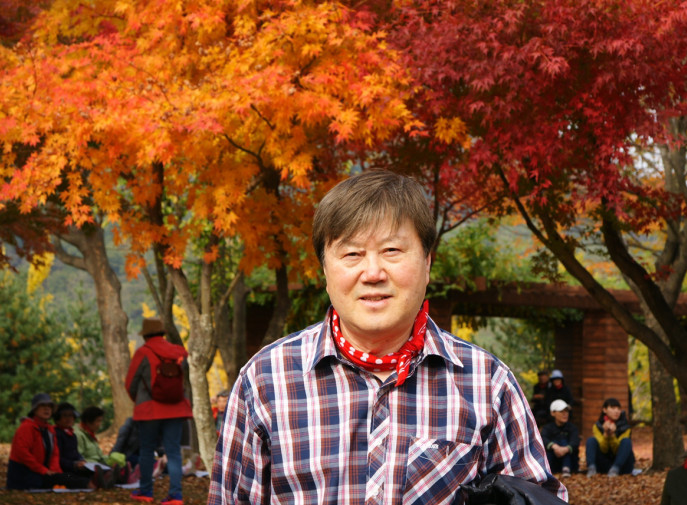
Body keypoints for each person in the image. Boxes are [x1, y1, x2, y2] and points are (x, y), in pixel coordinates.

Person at [209, 170, 567, 505]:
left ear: (427, 263)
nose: (373, 272)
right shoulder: (265, 381)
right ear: (325, 270)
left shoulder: (487, 383)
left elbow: (535, 496)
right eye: (352, 254)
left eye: (392, 251)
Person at [125, 317, 192, 505]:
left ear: (145, 335)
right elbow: (183, 379)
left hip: (149, 410)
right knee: (174, 452)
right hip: (176, 409)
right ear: (163, 333)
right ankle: (176, 495)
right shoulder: (179, 352)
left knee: (147, 450)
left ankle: (146, 491)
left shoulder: (143, 352)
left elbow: (130, 383)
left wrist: (139, 400)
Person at [7, 393, 94, 490]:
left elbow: (54, 454)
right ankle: (90, 484)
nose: (47, 409)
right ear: (34, 409)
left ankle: (96, 481)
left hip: (42, 472)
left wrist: (55, 472)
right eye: (42, 405)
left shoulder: (49, 429)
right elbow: (22, 453)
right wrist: (43, 470)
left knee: (66, 476)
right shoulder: (26, 427)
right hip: (25, 474)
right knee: (65, 479)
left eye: (49, 406)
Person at [586, 397, 635, 477]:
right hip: (604, 464)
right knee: (591, 440)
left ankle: (615, 469)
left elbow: (618, 450)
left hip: (622, 465)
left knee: (626, 441)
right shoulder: (597, 426)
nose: (616, 411)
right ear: (604, 410)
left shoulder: (626, 427)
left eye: (618, 409)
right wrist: (606, 434)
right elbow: (603, 449)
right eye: (613, 408)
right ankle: (591, 468)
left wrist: (612, 435)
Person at [540, 400, 579, 478]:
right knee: (555, 443)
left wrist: (565, 449)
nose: (565, 414)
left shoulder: (572, 428)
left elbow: (575, 442)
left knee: (564, 442)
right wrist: (554, 446)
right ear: (553, 413)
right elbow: (543, 439)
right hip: (552, 463)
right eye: (561, 411)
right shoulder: (547, 428)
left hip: (571, 464)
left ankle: (566, 468)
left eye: (566, 411)